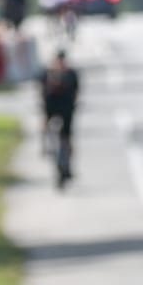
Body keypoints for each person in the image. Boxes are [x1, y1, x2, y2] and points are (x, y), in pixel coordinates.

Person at [40, 48, 80, 189]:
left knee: (66, 138)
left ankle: (67, 164)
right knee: (53, 137)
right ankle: (54, 155)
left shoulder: (70, 74)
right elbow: (42, 94)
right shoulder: (49, 74)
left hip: (65, 110)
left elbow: (76, 92)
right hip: (54, 109)